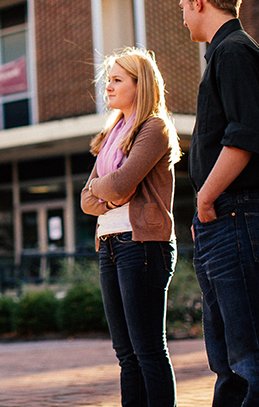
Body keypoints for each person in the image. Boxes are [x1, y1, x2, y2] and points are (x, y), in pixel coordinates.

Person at [180, 0, 259, 406]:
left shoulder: (235, 52)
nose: (182, 16)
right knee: (229, 357)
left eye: (183, 6)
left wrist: (206, 196)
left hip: (238, 212)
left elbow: (244, 136)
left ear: (199, 1)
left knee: (250, 355)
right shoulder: (224, 54)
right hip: (223, 218)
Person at [80, 48, 181, 407]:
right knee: (125, 353)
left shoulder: (154, 127)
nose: (108, 86)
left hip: (141, 244)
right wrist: (108, 192)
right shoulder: (111, 135)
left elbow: (122, 184)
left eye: (117, 79)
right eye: (109, 79)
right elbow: (86, 199)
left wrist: (106, 189)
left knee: (148, 349)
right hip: (109, 243)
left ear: (141, 85)